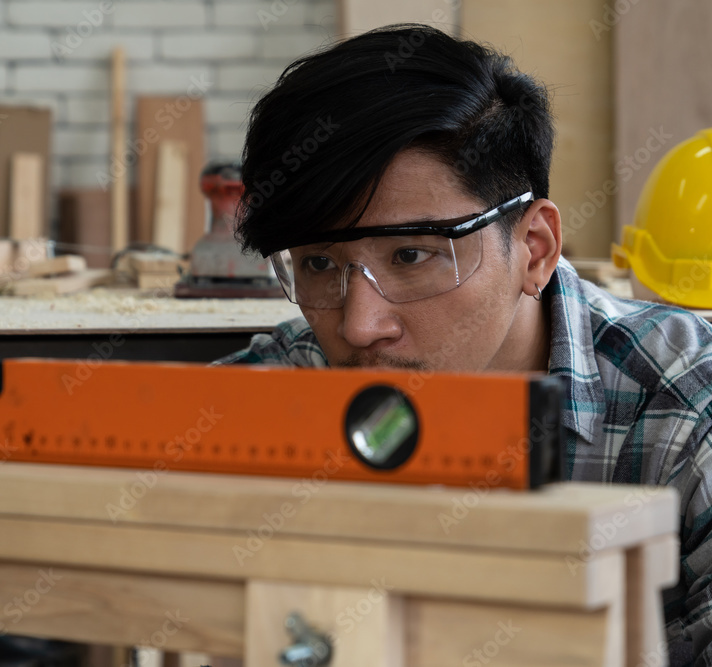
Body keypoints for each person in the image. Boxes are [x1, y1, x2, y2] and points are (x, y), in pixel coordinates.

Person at [215, 23, 712, 665]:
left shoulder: (687, 409)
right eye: (317, 265)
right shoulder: (290, 382)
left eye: (411, 254)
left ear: (534, 249)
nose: (360, 326)